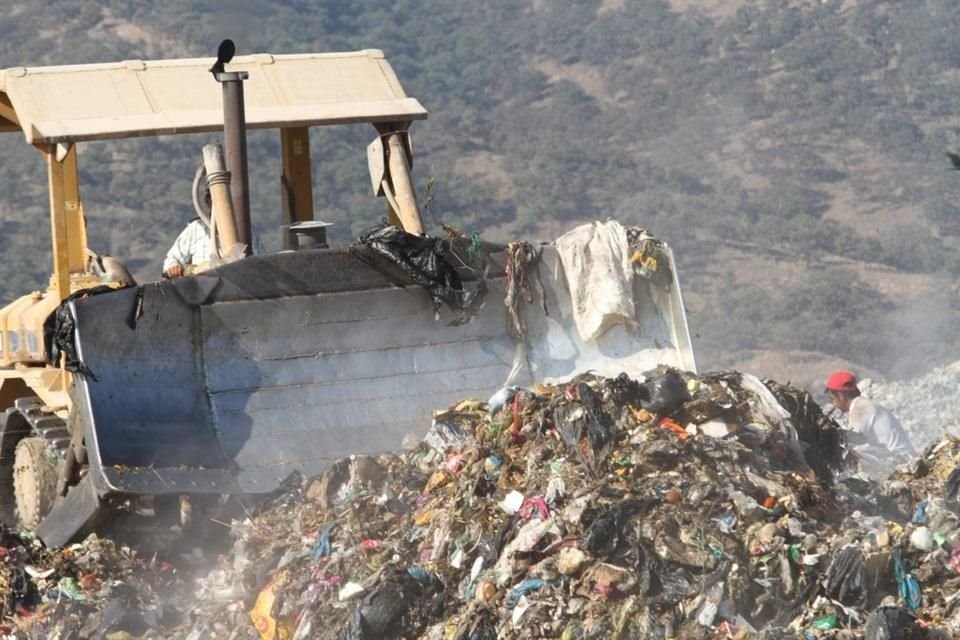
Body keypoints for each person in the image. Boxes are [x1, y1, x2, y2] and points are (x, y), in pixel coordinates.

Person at [824, 370, 914, 474]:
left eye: (832, 398)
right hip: (904, 456)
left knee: (851, 456)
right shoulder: (865, 404)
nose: (833, 404)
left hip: (900, 461)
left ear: (840, 396)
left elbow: (856, 440)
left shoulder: (860, 409)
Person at [163, 190, 213, 279]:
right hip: (203, 288)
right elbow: (173, 258)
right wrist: (173, 268)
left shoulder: (242, 227)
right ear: (208, 200)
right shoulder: (197, 227)